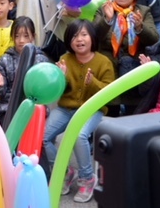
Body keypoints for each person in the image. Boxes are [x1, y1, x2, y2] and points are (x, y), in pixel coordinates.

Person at [43, 20, 114, 203]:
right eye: (74, 36)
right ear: (69, 40)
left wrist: (94, 83)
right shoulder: (65, 59)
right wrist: (62, 78)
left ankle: (87, 178)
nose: (79, 39)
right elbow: (56, 92)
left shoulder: (103, 62)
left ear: (92, 38)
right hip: (66, 108)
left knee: (79, 136)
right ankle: (65, 172)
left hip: (92, 110)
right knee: (44, 137)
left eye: (84, 35)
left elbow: (110, 94)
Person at [94, 0, 159, 115]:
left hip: (132, 72)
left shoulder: (143, 11)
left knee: (131, 118)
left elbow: (154, 38)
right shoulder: (105, 8)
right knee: (108, 118)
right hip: (108, 72)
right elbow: (94, 36)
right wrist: (108, 20)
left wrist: (139, 27)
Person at [0, 16, 50, 124]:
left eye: (26, 36)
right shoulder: (4, 60)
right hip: (8, 109)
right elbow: (0, 94)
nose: (21, 40)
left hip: (34, 109)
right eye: (17, 36)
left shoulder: (41, 60)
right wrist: (0, 85)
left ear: (33, 36)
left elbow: (46, 92)